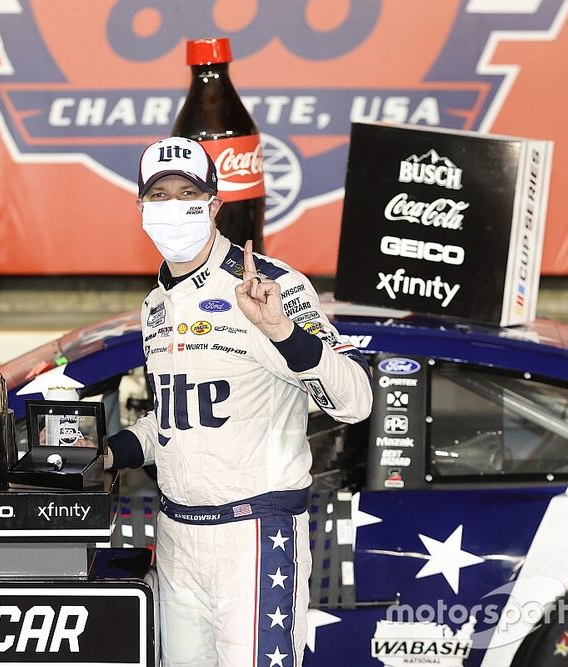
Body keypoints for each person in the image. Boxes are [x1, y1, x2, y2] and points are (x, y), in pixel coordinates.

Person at [107, 137, 373, 666]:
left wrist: (282, 330)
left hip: (253, 536)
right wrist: (111, 451)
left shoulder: (270, 285)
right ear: (140, 208)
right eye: (159, 194)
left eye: (188, 192)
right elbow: (181, 420)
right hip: (177, 537)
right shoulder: (155, 304)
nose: (172, 206)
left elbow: (355, 400)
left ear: (214, 203)